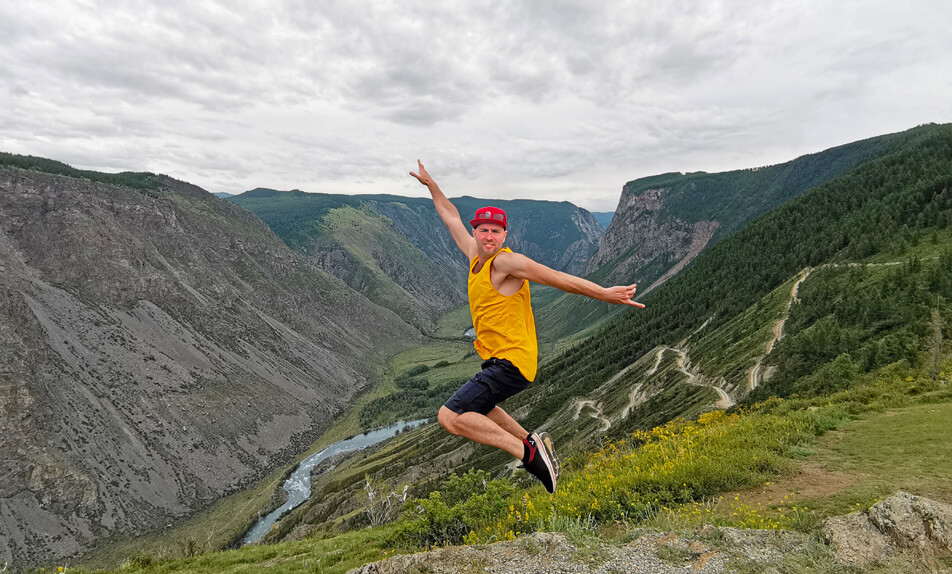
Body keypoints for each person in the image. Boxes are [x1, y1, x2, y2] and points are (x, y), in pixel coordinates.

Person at [409, 161, 645, 493]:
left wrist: (604, 293)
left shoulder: (506, 262)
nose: (488, 236)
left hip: (512, 362)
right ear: (476, 233)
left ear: (504, 235)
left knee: (450, 417)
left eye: (495, 231)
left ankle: (528, 454)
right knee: (483, 408)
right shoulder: (474, 257)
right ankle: (532, 440)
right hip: (500, 360)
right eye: (483, 230)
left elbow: (559, 278)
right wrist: (432, 186)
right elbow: (450, 216)